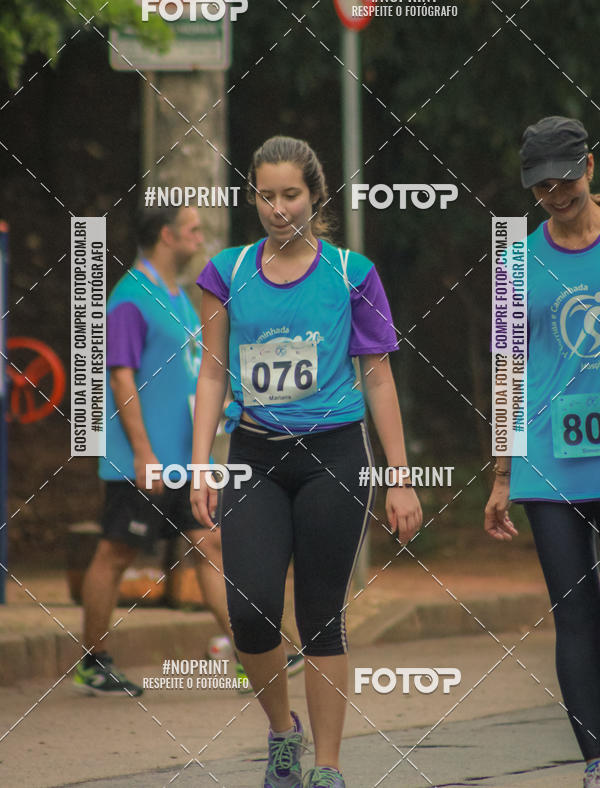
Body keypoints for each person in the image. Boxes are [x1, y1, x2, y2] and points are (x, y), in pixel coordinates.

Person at [191, 136, 422, 788]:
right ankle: (282, 734)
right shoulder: (227, 273)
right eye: (265, 194)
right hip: (253, 454)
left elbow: (377, 378)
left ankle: (327, 766)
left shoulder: (352, 272)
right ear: (253, 197)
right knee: (251, 606)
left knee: (322, 611)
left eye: (290, 194)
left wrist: (400, 477)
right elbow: (212, 373)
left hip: (334, 454)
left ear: (314, 196)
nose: (278, 207)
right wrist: (201, 463)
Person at [485, 116, 600, 788]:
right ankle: (594, 758)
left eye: (564, 181)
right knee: (574, 610)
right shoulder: (516, 263)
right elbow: (505, 369)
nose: (555, 196)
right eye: (540, 188)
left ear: (591, 164)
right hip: (548, 462)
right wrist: (501, 472)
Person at [74, 205, 231, 696]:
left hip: (184, 462)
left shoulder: (179, 298)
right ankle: (92, 661)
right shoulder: (128, 298)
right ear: (167, 236)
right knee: (115, 553)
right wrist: (144, 454)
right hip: (142, 463)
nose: (200, 238)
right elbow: (119, 377)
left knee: (210, 545)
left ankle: (255, 654)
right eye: (193, 231)